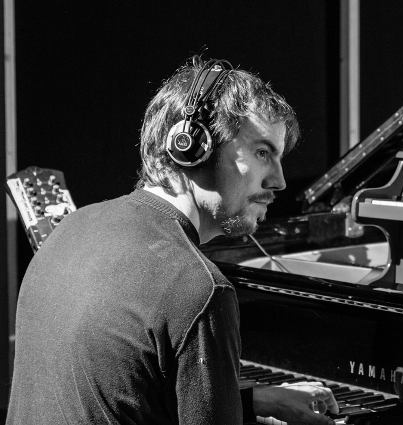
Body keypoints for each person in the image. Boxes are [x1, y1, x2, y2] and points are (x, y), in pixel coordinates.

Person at [6, 56, 338, 424]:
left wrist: (251, 401)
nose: (279, 181)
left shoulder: (69, 229)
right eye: (262, 153)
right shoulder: (198, 289)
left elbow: (129, 393)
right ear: (195, 148)